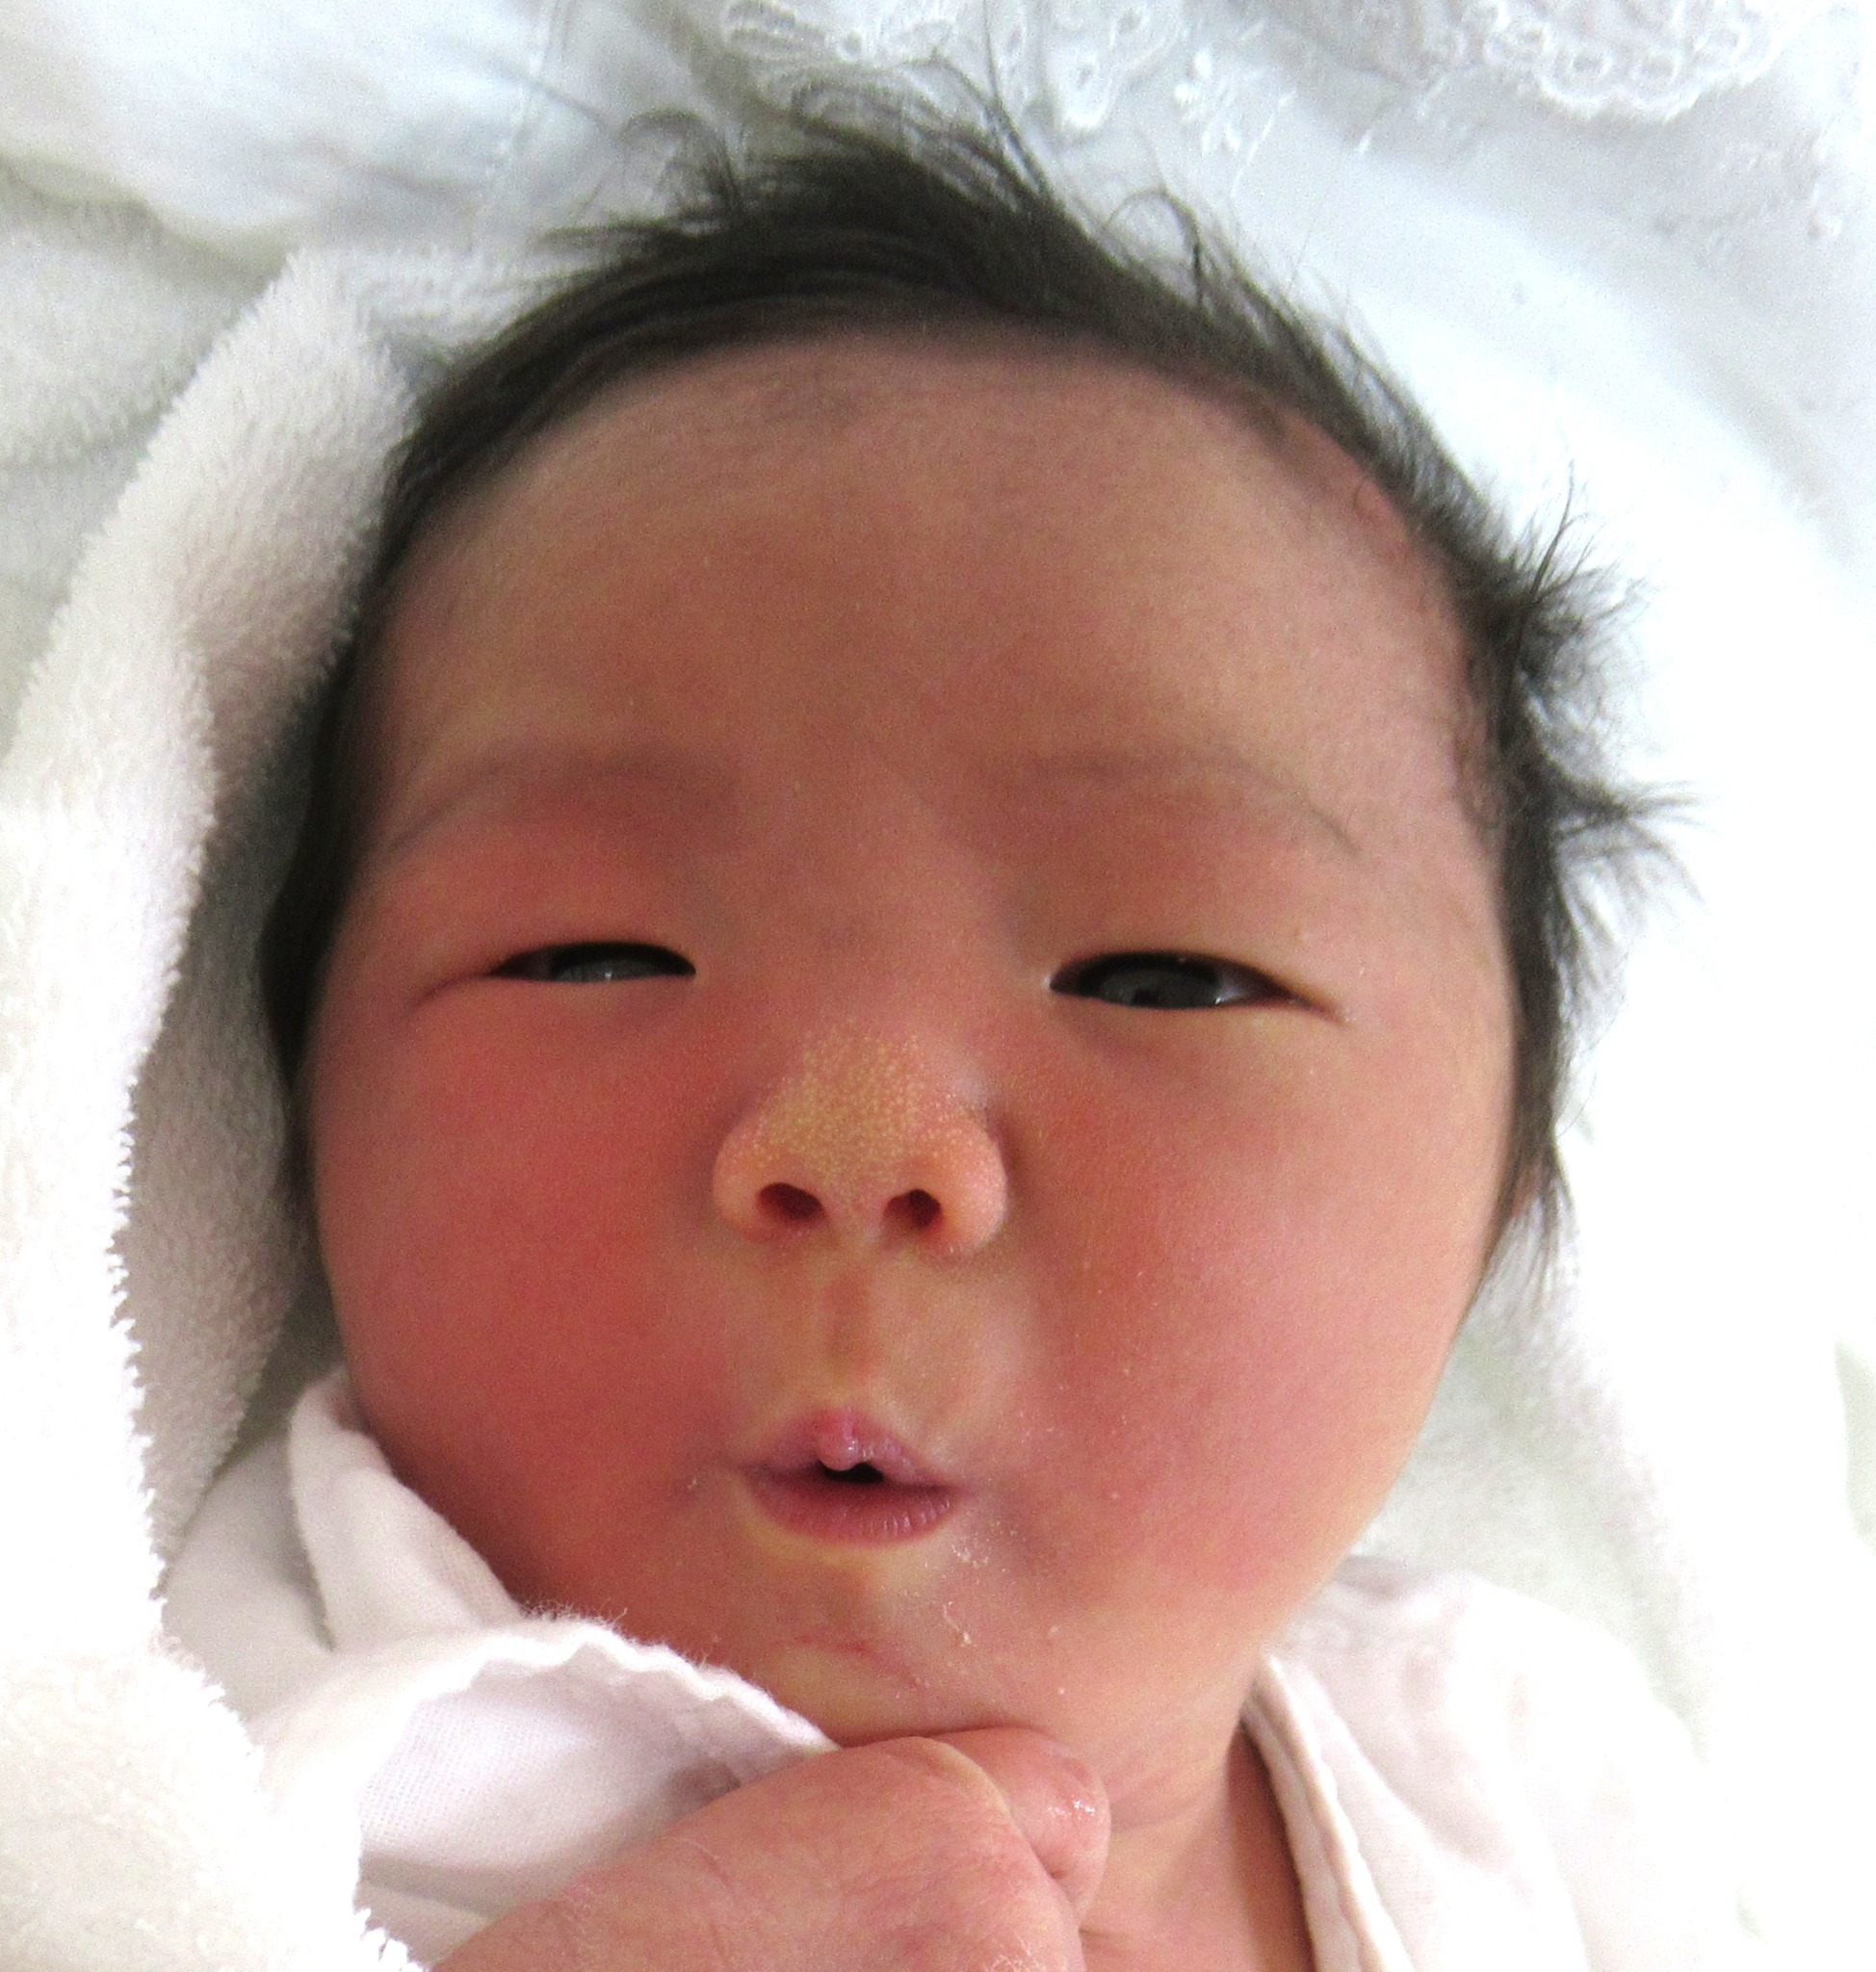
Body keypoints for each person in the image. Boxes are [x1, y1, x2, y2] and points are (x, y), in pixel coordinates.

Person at [163, 103, 1745, 1970]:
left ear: (1500, 1197)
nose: (860, 1137)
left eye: (1163, 977)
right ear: (299, 1124)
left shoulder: (1536, 1799)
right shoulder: (219, 1777)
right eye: (591, 956)